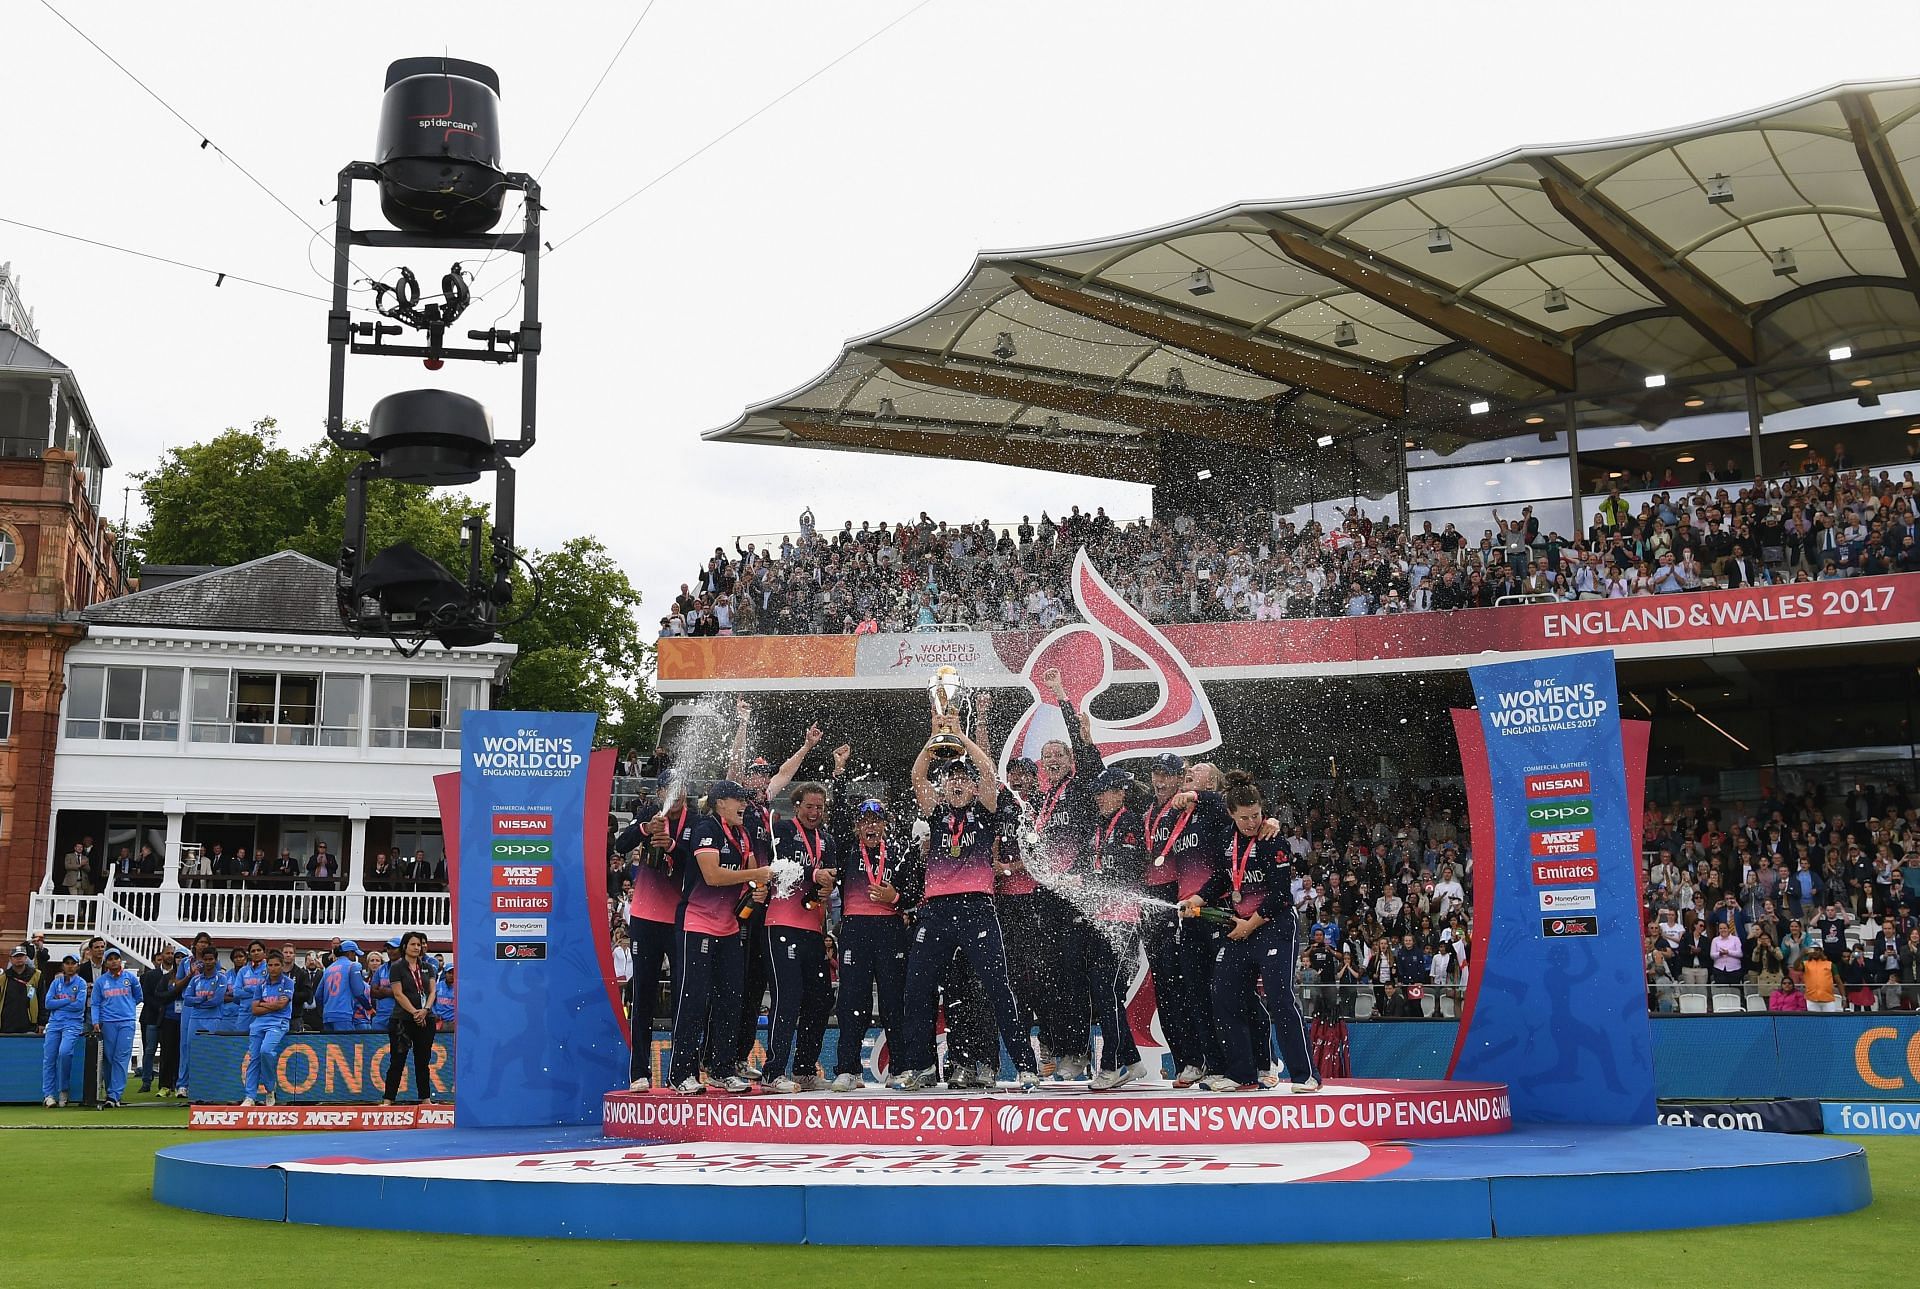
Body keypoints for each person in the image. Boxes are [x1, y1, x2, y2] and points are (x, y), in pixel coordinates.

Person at [893, 719, 1041, 1091]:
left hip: (977, 907)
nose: (956, 784)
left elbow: (989, 770)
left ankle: (1025, 1066)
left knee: (997, 986)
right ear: (943, 787)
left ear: (973, 787)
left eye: (963, 779)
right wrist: (935, 737)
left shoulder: (987, 810)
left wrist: (960, 738)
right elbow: (916, 775)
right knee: (916, 988)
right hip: (937, 910)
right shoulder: (935, 813)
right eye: (950, 780)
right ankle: (923, 1066)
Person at [1184, 772, 1320, 1093]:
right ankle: (1242, 1074)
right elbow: (1221, 879)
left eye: (1256, 815)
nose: (1251, 822)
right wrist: (1198, 898)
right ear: (1232, 814)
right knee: (1224, 994)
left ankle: (1305, 1076)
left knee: (1280, 998)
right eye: (1244, 817)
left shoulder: (1273, 840)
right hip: (1241, 929)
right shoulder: (1225, 840)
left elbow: (1281, 895)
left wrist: (1249, 924)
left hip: (1273, 927)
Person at [667, 780, 764, 1094]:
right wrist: (754, 876)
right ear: (721, 802)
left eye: (747, 801)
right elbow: (713, 875)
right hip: (697, 924)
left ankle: (721, 1068)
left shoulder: (742, 834)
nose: (745, 806)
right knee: (694, 1000)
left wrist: (758, 889)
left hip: (729, 928)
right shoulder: (706, 826)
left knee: (731, 1002)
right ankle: (680, 1073)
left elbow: (751, 877)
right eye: (739, 800)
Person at [826, 778, 917, 1092]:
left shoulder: (899, 853)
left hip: (890, 930)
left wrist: (895, 898)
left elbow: (915, 891)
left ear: (885, 826)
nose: (871, 826)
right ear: (856, 828)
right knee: (853, 999)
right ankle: (848, 1070)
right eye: (865, 821)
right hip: (855, 930)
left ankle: (900, 1068)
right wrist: (838, 775)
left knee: (894, 1001)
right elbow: (836, 815)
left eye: (877, 821)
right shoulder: (847, 849)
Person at [612, 769, 693, 1091]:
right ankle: (639, 1073)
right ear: (660, 793)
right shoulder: (649, 814)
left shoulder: (697, 820)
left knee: (683, 997)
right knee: (642, 994)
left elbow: (698, 865)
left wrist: (672, 846)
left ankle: (680, 1072)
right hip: (645, 917)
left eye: (682, 787)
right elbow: (620, 843)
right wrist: (646, 829)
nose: (677, 794)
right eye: (670, 789)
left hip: (681, 918)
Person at [760, 781, 838, 1093]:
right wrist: (812, 875)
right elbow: (778, 867)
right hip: (781, 923)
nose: (814, 812)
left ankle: (805, 1068)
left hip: (813, 927)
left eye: (819, 807)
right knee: (787, 997)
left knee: (820, 998)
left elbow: (829, 875)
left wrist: (829, 885)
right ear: (797, 806)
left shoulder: (827, 839)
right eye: (809, 806)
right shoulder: (782, 831)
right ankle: (773, 1071)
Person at [1079, 767, 1148, 1089]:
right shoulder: (1097, 825)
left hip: (1122, 920)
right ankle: (1132, 1060)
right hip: (1099, 917)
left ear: (1120, 792)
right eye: (1096, 792)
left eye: (1104, 791)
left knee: (1107, 992)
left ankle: (1114, 1063)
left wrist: (1089, 881)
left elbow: (1127, 869)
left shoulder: (1130, 823)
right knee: (1103, 993)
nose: (1098, 797)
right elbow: (1088, 863)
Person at [1140, 752, 1203, 1083]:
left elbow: (1218, 807)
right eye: (1156, 773)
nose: (1160, 780)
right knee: (1163, 987)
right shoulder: (1148, 811)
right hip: (1151, 902)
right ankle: (1182, 1061)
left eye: (1167, 775)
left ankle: (1198, 1057)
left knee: (1183, 984)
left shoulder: (1188, 808)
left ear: (1181, 778)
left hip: (1179, 899)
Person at [381, 931, 439, 1105]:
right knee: (397, 1060)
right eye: (413, 944)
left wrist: (425, 1010)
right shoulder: (397, 967)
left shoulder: (428, 967)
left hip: (425, 1019)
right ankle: (388, 1099)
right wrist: (415, 1012)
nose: (417, 947)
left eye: (419, 945)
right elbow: (398, 994)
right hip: (402, 1020)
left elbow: (432, 991)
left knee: (423, 1061)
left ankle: (425, 1098)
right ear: (405, 946)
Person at [241, 949, 297, 1106]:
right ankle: (250, 1097)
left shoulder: (288, 982)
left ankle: (270, 1089)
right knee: (254, 1059)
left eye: (276, 965)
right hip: (258, 1023)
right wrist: (271, 1006)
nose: (273, 968)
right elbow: (254, 1009)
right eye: (270, 965)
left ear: (282, 966)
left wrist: (263, 1004)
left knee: (265, 1051)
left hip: (279, 1022)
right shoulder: (261, 984)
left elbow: (281, 1005)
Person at [88, 947, 142, 1108]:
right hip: (108, 1023)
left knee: (121, 1057)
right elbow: (96, 1003)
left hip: (126, 1022)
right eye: (110, 959)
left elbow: (139, 997)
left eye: (116, 958)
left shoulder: (130, 978)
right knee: (109, 1058)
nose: (114, 961)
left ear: (120, 960)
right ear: (106, 962)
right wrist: (96, 1021)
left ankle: (114, 1094)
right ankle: (110, 1091)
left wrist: (128, 1009)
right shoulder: (101, 982)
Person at [178, 946, 226, 1098]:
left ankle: (210, 1088)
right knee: (192, 1052)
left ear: (216, 960)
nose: (208, 962)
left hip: (213, 1019)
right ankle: (191, 1087)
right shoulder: (195, 979)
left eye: (211, 959)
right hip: (196, 1019)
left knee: (211, 1053)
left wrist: (198, 1001)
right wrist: (204, 999)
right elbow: (187, 1000)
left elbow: (217, 1001)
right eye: (205, 959)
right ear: (202, 961)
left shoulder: (221, 978)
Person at [41, 955, 89, 1107]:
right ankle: (48, 1095)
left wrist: (59, 1003)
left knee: (64, 1052)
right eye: (67, 963)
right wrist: (68, 1000)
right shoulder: (56, 982)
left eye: (72, 963)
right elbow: (48, 1003)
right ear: (63, 965)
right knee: (49, 1058)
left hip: (73, 1023)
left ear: (77, 966)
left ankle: (63, 1089)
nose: (69, 966)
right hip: (54, 1023)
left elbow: (79, 1006)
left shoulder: (81, 983)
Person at [137, 948, 172, 1092]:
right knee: (149, 1050)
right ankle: (146, 1081)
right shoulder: (150, 975)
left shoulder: (177, 975)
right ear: (161, 956)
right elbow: (146, 996)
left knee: (168, 1051)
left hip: (169, 1019)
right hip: (152, 1017)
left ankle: (166, 1083)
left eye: (172, 953)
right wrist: (160, 1007)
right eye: (167, 953)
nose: (169, 956)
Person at [320, 941, 370, 1032]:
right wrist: (368, 1008)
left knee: (331, 1045)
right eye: (355, 954)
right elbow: (359, 992)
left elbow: (318, 995)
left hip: (327, 1016)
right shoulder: (353, 966)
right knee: (346, 1045)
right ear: (349, 953)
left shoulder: (328, 969)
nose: (355, 957)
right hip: (344, 1014)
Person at [2, 945, 40, 1034]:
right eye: (16, 956)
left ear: (26, 958)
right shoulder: (3, 977)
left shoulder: (36, 975)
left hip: (29, 1024)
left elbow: (42, 999)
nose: (19, 958)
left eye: (21, 956)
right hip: (7, 1024)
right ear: (10, 959)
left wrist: (42, 1022)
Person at [1802, 944, 1840, 1012]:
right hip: (1812, 1000)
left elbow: (1838, 982)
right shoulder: (1805, 964)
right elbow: (1796, 967)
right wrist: (1801, 955)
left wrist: (1844, 997)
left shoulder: (1830, 964)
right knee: (1815, 1021)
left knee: (1830, 1021)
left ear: (1821, 951)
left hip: (1828, 999)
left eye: (1817, 950)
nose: (1815, 952)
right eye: (1813, 950)